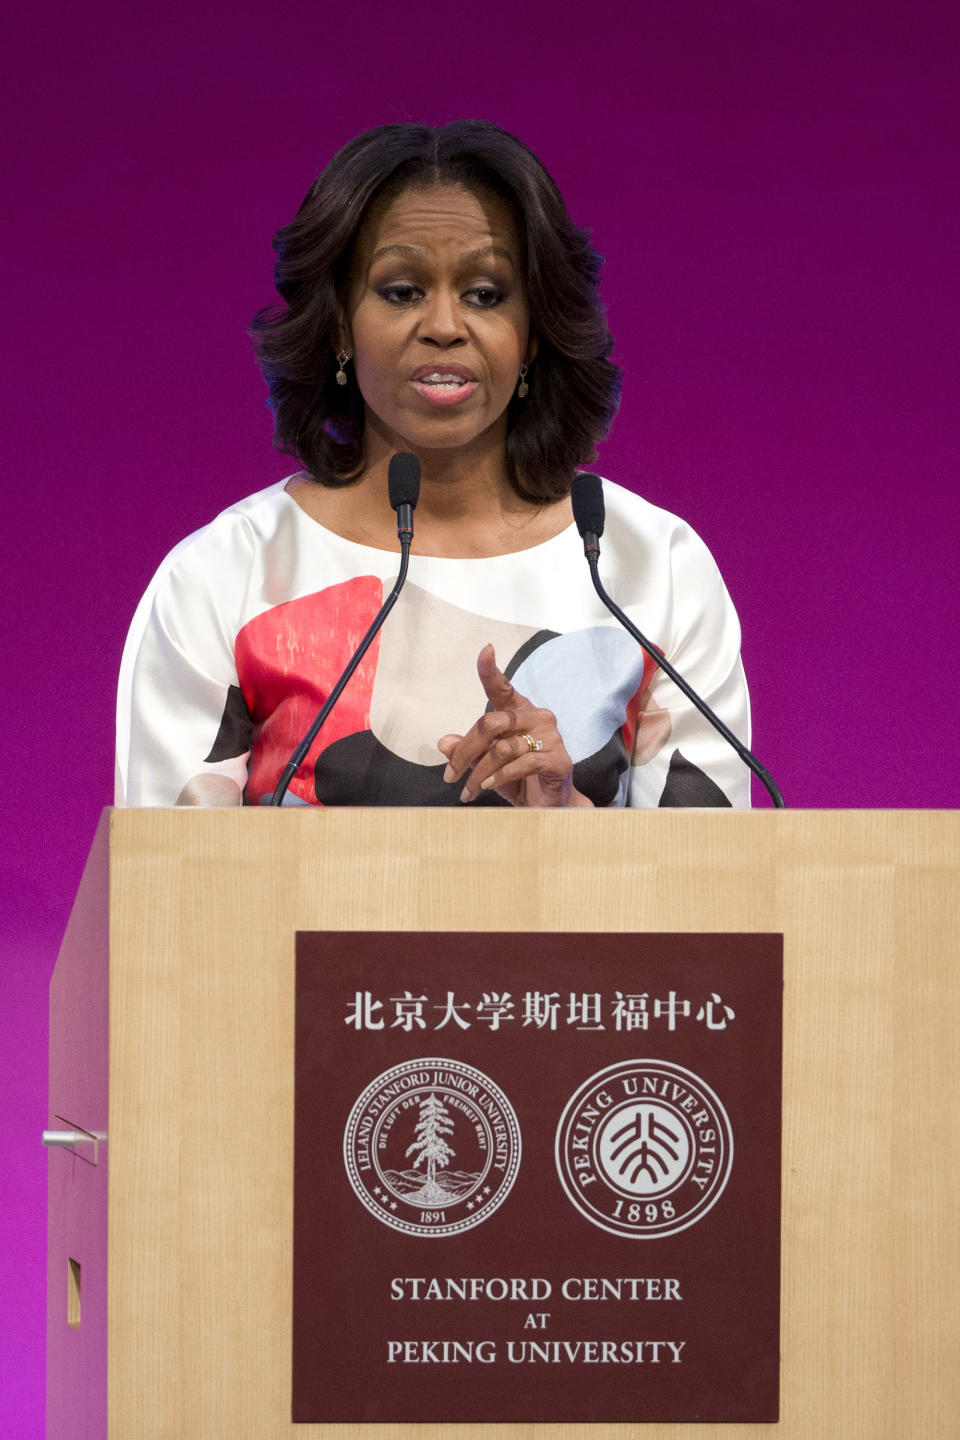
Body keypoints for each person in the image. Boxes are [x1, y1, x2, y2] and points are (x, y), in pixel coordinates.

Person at [116, 120, 750, 810]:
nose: (445, 324)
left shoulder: (649, 568)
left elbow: (713, 890)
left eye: (485, 293)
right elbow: (167, 894)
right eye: (401, 290)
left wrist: (563, 813)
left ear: (534, 330)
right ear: (338, 324)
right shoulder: (227, 576)